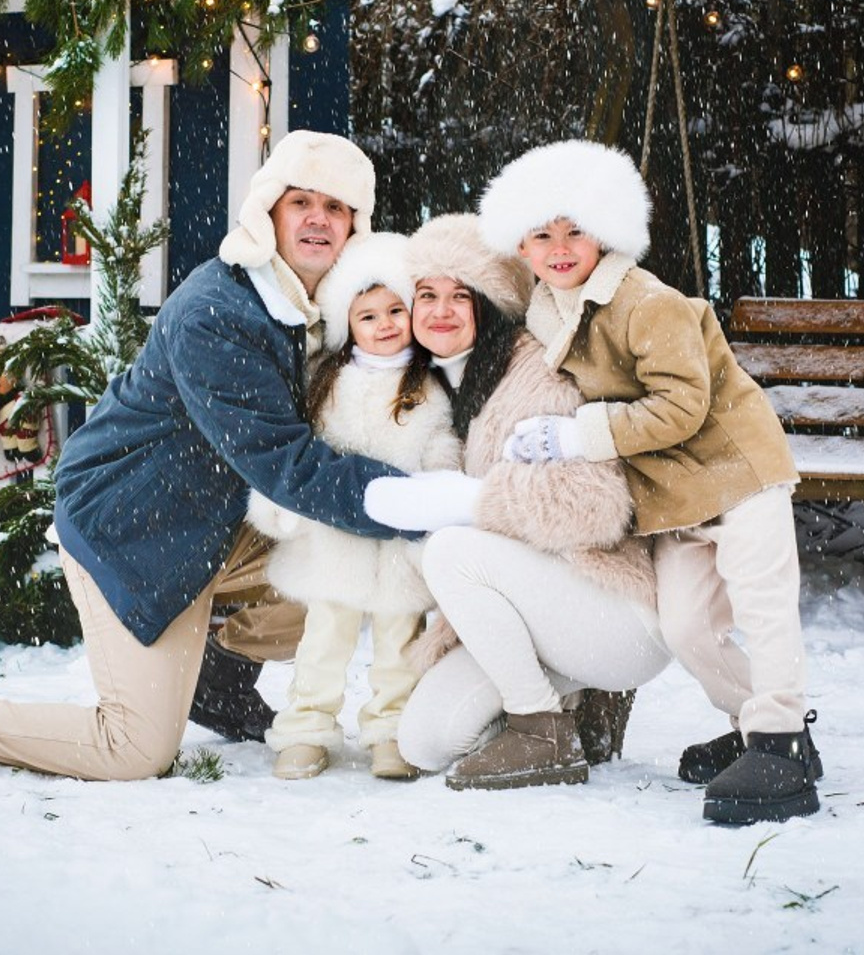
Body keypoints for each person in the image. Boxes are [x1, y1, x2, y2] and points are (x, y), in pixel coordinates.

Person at [0, 131, 464, 780]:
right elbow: (284, 464)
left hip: (215, 524)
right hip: (133, 527)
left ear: (354, 225)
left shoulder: (325, 310)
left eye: (335, 207)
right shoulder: (219, 313)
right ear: (268, 211)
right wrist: (417, 499)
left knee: (332, 570)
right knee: (135, 750)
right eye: (300, 200)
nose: (317, 218)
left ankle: (217, 680)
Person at [474, 138, 822, 825]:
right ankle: (763, 731)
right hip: (674, 499)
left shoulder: (646, 301)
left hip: (738, 471)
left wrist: (577, 436)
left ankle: (779, 738)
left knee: (762, 605)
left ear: (606, 230)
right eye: (542, 234)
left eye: (576, 229)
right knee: (687, 625)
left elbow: (682, 406)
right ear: (522, 245)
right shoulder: (548, 311)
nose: (561, 246)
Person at [364, 214, 671, 791]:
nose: (441, 310)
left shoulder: (533, 373)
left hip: (611, 608)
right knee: (426, 741)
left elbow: (597, 504)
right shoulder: (429, 388)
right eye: (426, 294)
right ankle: (574, 702)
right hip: (539, 617)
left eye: (462, 296)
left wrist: (473, 499)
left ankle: (541, 728)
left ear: (491, 304)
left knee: (453, 548)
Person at [251, 232, 460, 782]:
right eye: (369, 316)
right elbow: (305, 453)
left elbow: (441, 442)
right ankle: (306, 728)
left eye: (396, 310)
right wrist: (286, 509)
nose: (386, 323)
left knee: (400, 648)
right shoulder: (328, 381)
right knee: (323, 642)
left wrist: (437, 489)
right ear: (350, 325)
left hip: (398, 547)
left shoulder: (430, 385)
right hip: (335, 542)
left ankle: (391, 730)